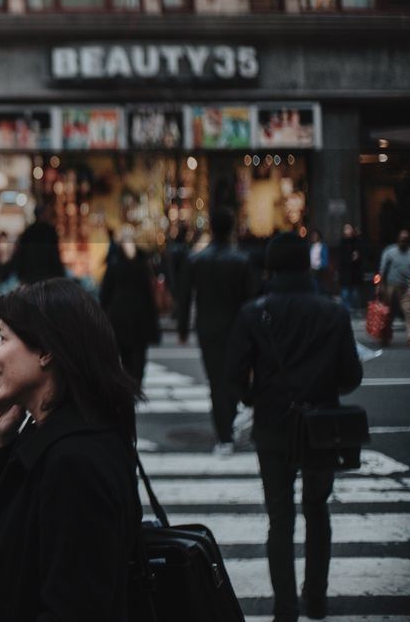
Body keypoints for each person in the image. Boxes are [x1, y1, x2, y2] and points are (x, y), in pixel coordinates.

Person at [0, 278, 142, 621]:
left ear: (45, 351)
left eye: (3, 338)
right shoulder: (60, 435)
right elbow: (29, 528)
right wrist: (1, 444)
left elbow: (74, 607)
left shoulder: (75, 461)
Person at [226, 232, 364, 622]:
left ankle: (285, 608)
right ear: (308, 264)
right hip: (321, 426)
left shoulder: (255, 313)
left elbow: (233, 375)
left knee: (280, 518)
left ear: (270, 266)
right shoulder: (333, 312)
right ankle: (316, 599)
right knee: (318, 511)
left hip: (273, 425)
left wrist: (258, 397)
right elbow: (351, 375)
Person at [177, 207, 258, 455]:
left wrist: (182, 328)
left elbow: (184, 297)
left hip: (208, 328)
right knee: (236, 378)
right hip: (236, 329)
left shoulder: (197, 260)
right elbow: (250, 300)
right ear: (231, 228)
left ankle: (224, 434)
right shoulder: (241, 261)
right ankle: (232, 421)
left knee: (216, 382)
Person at [99, 226, 159, 386]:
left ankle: (129, 386)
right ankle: (136, 384)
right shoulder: (143, 262)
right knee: (139, 355)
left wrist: (103, 314)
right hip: (140, 315)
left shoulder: (115, 262)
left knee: (125, 356)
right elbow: (148, 291)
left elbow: (105, 292)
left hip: (120, 315)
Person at [377, 229, 410, 348]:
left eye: (406, 240)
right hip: (391, 287)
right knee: (388, 313)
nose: (403, 241)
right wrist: (380, 287)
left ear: (408, 241)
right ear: (398, 240)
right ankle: (385, 336)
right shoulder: (390, 252)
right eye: (402, 239)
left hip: (407, 287)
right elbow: (382, 270)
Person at [4, 206, 65, 286]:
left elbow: (21, 254)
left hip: (30, 275)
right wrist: (60, 273)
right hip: (47, 274)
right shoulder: (49, 231)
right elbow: (54, 253)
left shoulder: (29, 231)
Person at [335, 223, 364, 313]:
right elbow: (340, 258)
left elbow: (364, 253)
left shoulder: (357, 242)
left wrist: (358, 255)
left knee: (355, 293)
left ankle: (355, 310)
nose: (348, 231)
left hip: (355, 272)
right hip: (345, 272)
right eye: (346, 229)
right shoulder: (342, 242)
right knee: (345, 293)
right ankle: (346, 311)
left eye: (349, 229)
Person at [308, 230, 330, 294]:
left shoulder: (322, 246)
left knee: (319, 285)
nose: (314, 237)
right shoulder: (311, 246)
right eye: (313, 236)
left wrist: (322, 266)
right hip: (312, 268)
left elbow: (325, 258)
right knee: (313, 285)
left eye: (315, 236)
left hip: (320, 269)